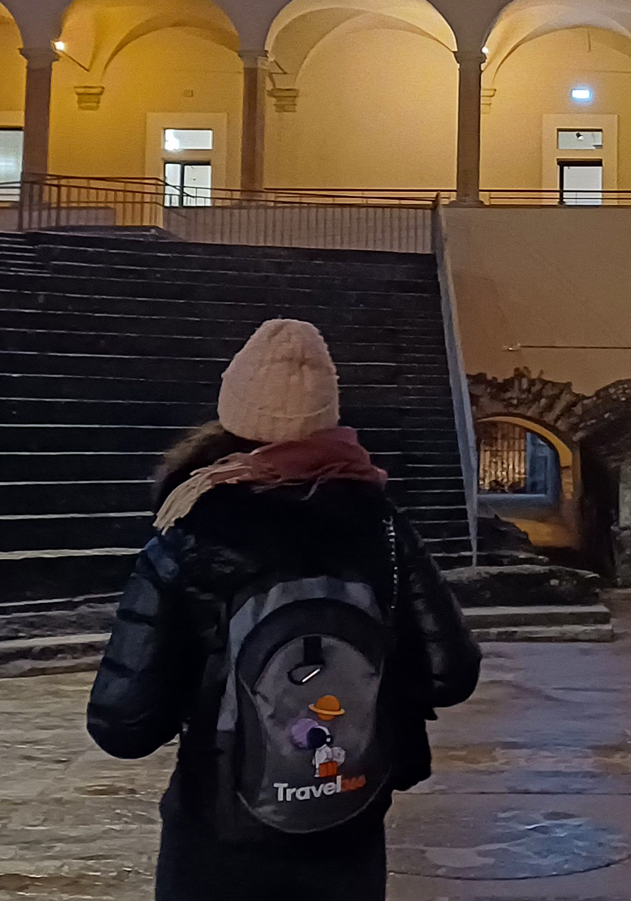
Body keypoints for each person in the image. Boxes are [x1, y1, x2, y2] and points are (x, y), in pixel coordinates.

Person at [87, 317, 482, 901]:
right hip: (346, 811)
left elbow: (123, 725)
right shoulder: (381, 525)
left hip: (221, 824)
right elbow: (452, 675)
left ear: (234, 410)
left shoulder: (192, 530)